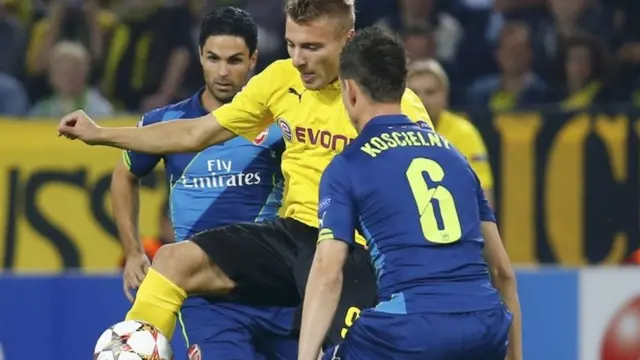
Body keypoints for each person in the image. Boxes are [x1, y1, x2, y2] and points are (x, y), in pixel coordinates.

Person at [57, 0, 432, 349]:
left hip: (356, 250)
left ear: (347, 40)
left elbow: (424, 192)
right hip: (294, 235)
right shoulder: (279, 80)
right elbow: (194, 132)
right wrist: (102, 134)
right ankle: (133, 353)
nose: (298, 60)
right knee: (172, 260)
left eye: (312, 48)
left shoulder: (391, 102)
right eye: (291, 44)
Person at [299, 27, 522, 360]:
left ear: (351, 90)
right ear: (403, 87)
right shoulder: (456, 158)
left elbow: (329, 272)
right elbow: (502, 271)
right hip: (485, 326)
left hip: (409, 329)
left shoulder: (348, 165)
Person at [110, 7, 297, 360]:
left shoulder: (279, 122)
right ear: (199, 55)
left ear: (254, 60)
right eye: (213, 58)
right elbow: (124, 174)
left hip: (277, 287)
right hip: (207, 300)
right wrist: (133, 249)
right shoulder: (167, 122)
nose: (223, 72)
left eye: (234, 60)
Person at [407, 59, 494, 205]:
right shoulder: (389, 132)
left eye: (430, 92)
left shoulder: (464, 132)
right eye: (414, 92)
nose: (421, 100)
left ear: (445, 95)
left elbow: (483, 193)